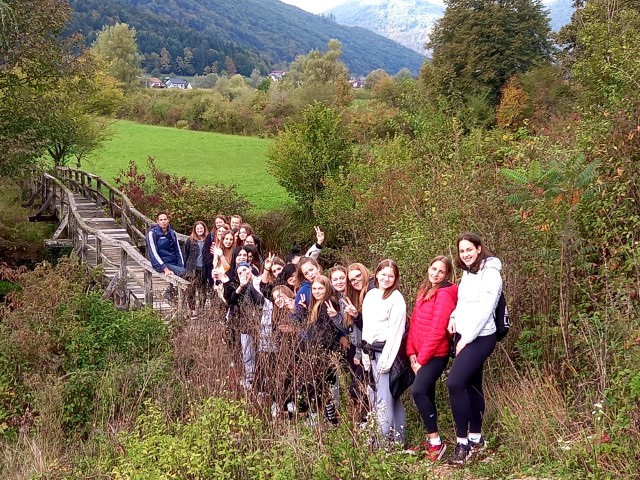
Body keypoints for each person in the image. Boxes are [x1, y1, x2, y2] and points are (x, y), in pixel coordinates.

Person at [446, 232, 501, 465]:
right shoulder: (468, 272)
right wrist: (453, 316)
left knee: (455, 383)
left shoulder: (491, 273)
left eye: (469, 249)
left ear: (479, 248)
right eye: (462, 251)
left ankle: (462, 444)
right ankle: (476, 439)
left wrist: (466, 339)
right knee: (472, 384)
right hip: (464, 334)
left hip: (481, 337)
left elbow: (485, 310)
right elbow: (464, 302)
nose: (465, 254)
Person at [406, 256, 458, 461]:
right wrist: (411, 353)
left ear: (447, 275)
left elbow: (437, 330)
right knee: (427, 393)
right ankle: (430, 440)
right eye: (433, 269)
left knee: (418, 391)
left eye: (441, 271)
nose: (435, 274)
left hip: (436, 355)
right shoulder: (424, 290)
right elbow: (414, 323)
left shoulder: (445, 294)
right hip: (419, 354)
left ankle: (437, 443)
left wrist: (421, 360)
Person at [361, 259, 407, 447]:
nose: (386, 278)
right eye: (383, 274)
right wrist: (365, 352)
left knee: (384, 400)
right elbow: (367, 325)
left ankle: (380, 444)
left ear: (395, 278)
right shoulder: (371, 295)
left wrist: (386, 361)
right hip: (371, 351)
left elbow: (396, 332)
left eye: (391, 276)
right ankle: (397, 442)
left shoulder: (396, 298)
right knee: (389, 398)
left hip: (386, 353)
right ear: (377, 274)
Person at [329, 265, 368, 424]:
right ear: (331, 283)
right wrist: (335, 316)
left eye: (341, 278)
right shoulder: (341, 298)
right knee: (357, 386)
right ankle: (362, 421)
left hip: (363, 348)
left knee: (358, 387)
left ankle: (366, 422)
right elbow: (347, 327)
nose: (339, 282)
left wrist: (359, 352)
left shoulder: (356, 295)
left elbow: (361, 327)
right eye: (335, 279)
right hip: (353, 347)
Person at [224, 259, 264, 388]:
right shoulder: (234, 285)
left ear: (250, 269)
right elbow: (231, 300)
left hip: (259, 323)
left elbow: (262, 301)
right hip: (243, 324)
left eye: (245, 270)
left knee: (261, 352)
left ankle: (262, 380)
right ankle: (250, 379)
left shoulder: (258, 282)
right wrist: (241, 286)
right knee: (247, 352)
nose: (243, 273)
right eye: (240, 272)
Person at [147, 212, 185, 301]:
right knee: (183, 273)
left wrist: (181, 265)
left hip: (173, 261)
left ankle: (172, 292)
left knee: (185, 271)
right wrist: (165, 268)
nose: (163, 221)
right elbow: (153, 253)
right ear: (157, 221)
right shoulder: (152, 233)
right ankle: (170, 292)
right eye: (161, 220)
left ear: (168, 220)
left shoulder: (172, 233)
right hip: (161, 263)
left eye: (165, 219)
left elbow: (178, 250)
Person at [183, 221, 209, 315]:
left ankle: (201, 308)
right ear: (194, 229)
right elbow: (185, 255)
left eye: (201, 228)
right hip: (192, 268)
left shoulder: (208, 240)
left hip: (203, 269)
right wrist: (185, 269)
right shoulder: (190, 240)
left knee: (203, 291)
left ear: (204, 229)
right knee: (191, 290)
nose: (199, 230)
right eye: (197, 228)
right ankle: (192, 309)